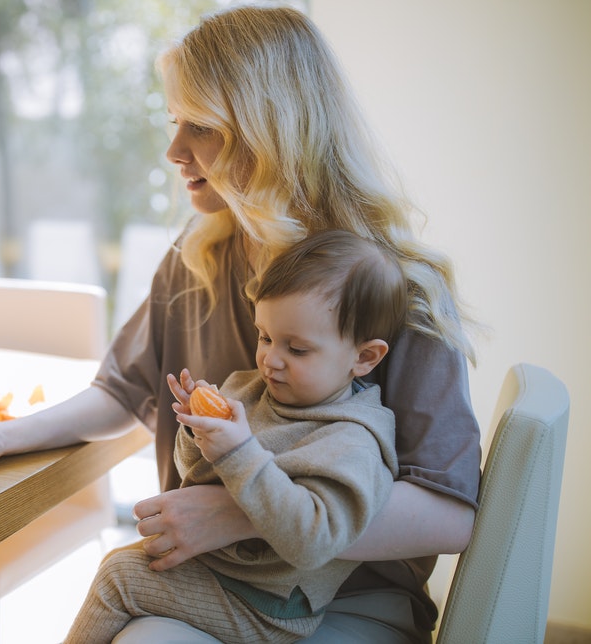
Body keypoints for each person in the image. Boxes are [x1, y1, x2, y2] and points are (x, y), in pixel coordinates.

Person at [0, 5, 480, 642]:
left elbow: (449, 515)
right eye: (174, 122)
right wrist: (6, 436)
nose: (173, 150)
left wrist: (244, 511)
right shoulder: (199, 254)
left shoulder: (394, 289)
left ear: (271, 130)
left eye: (202, 127)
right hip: (212, 574)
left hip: (345, 600)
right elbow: (121, 391)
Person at [64, 230, 407, 643]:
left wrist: (240, 452)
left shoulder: (353, 439)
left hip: (269, 604)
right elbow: (194, 474)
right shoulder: (250, 389)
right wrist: (197, 431)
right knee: (123, 563)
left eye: (297, 349)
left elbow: (314, 542)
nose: (270, 360)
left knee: (119, 578)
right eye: (265, 337)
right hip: (222, 572)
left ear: (364, 357)